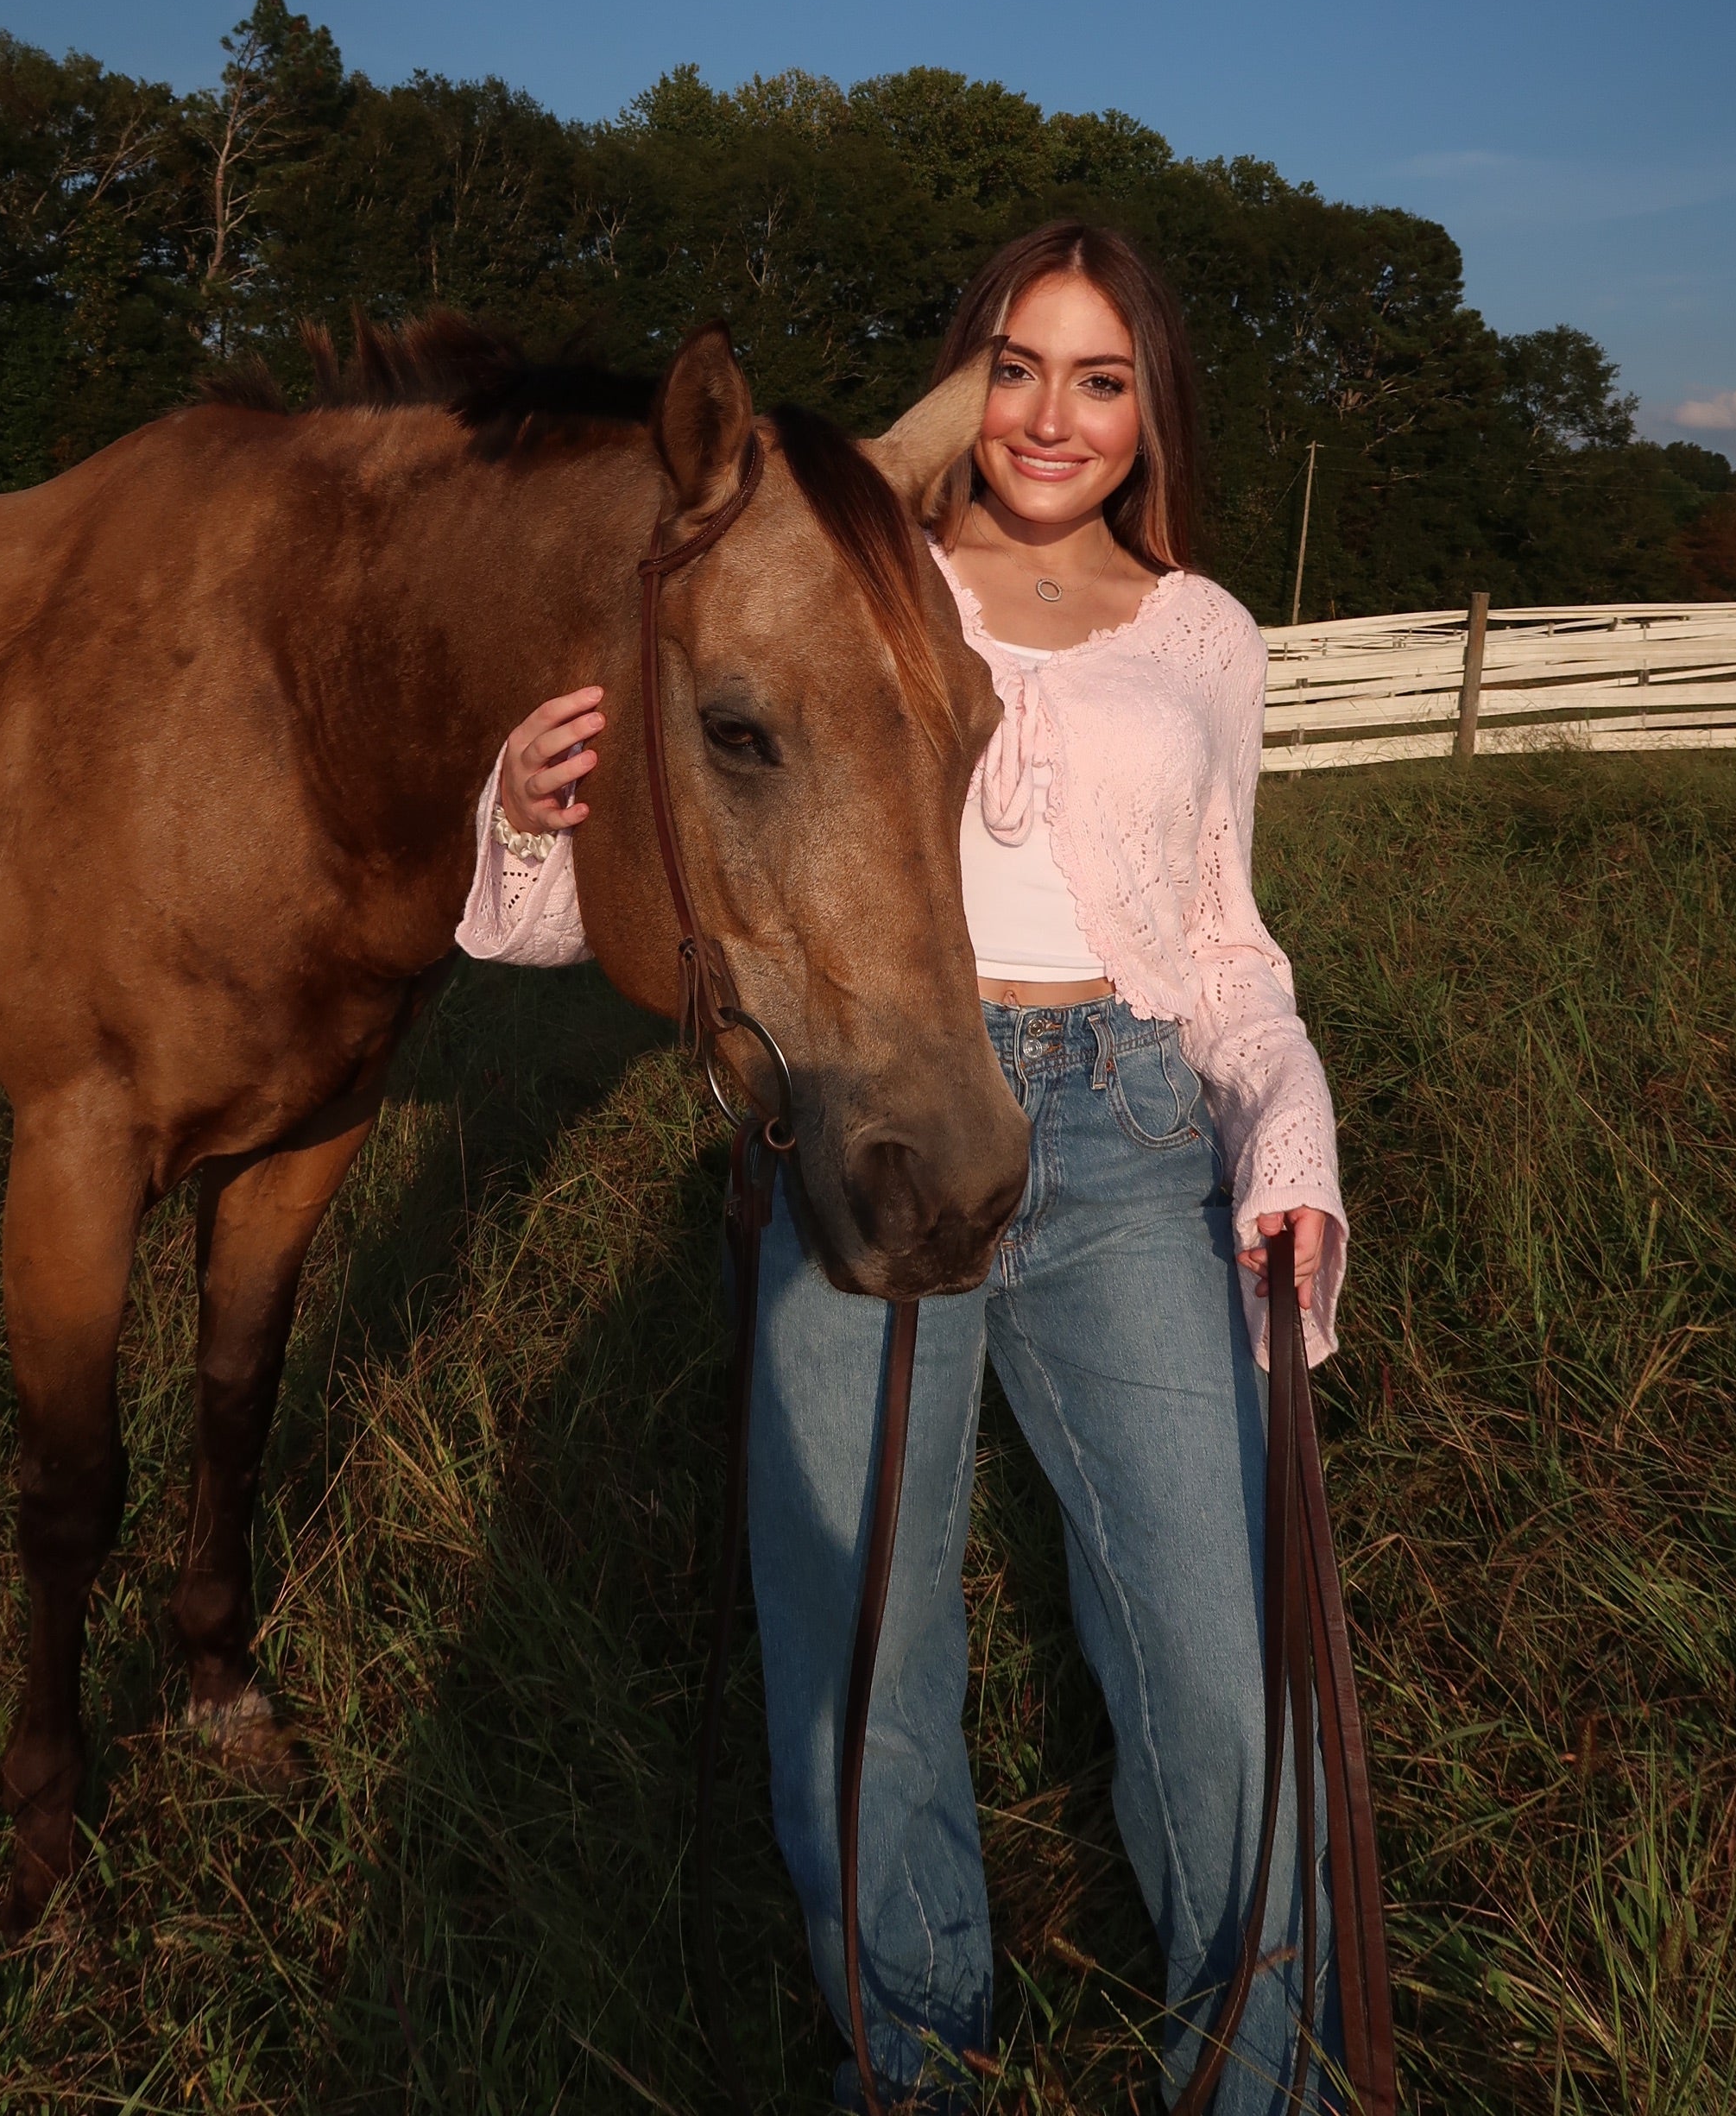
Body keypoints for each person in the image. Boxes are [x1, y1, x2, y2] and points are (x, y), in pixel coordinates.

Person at [456, 222, 1348, 2113]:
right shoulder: (860, 571)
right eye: (1015, 366)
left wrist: (1286, 1133)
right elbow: (652, 888)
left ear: (1146, 409)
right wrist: (527, 823)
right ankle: (914, 2062)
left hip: (1123, 1130)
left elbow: (1225, 936)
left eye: (1100, 378)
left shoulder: (1201, 635)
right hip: (874, 1117)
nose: (1051, 414)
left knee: (1216, 1654)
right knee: (862, 1653)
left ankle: (1256, 2072)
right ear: (966, 379)